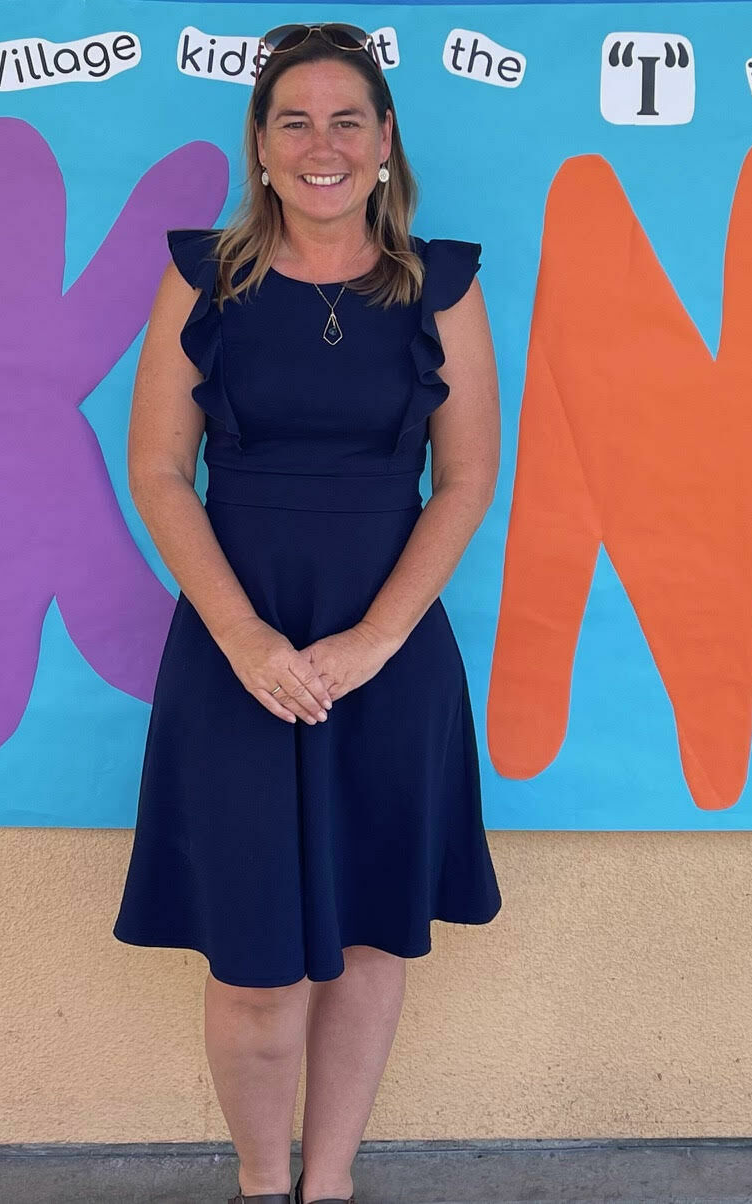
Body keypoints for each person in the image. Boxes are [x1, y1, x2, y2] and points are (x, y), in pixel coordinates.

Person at [111, 22, 503, 1204]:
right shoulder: (202, 277)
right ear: (262, 145)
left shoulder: (443, 284)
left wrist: (374, 642)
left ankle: (327, 1184)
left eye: (347, 119)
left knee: (374, 940)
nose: (321, 144)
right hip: (239, 653)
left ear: (385, 142)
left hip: (388, 654)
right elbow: (159, 470)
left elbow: (469, 478)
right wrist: (246, 640)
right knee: (256, 979)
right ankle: (257, 1178)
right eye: (295, 120)